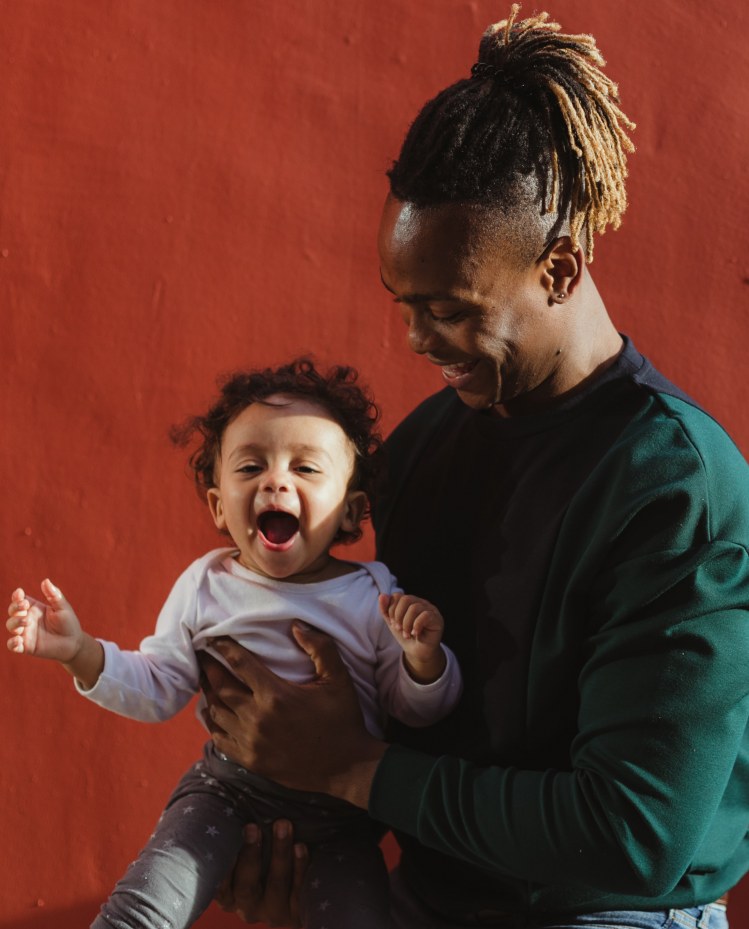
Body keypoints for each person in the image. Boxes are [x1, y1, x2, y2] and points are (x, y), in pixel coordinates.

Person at [198, 6, 749, 929]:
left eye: (449, 308)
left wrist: (349, 771)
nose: (415, 339)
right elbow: (390, 706)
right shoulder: (427, 447)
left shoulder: (677, 495)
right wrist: (280, 821)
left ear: (558, 269)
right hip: (431, 896)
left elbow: (634, 834)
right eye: (401, 303)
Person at [5, 359, 463, 929]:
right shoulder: (206, 584)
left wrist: (424, 662)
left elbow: (412, 709)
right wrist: (80, 651)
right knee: (144, 909)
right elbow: (160, 686)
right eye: (251, 466)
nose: (275, 481)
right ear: (220, 505)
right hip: (225, 792)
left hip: (344, 817)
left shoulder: (371, 593)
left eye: (305, 467)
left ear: (350, 509)